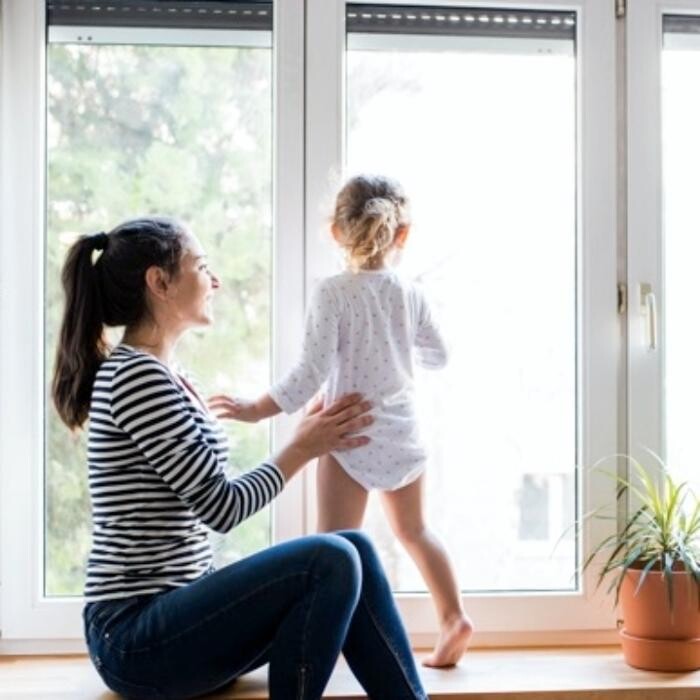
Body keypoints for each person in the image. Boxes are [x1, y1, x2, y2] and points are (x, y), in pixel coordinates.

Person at [52, 216, 428, 700]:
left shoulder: (168, 375)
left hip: (173, 620)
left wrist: (307, 439)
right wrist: (302, 449)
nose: (215, 280)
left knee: (353, 545)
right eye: (202, 266)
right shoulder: (135, 379)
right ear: (159, 282)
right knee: (330, 557)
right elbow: (222, 507)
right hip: (134, 639)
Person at [208, 175, 473, 668]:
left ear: (335, 232)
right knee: (415, 532)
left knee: (333, 551)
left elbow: (308, 375)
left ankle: (332, 646)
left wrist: (253, 408)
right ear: (402, 234)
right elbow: (439, 355)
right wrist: (396, 346)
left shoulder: (332, 294)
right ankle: (454, 617)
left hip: (347, 432)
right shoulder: (410, 294)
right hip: (402, 431)